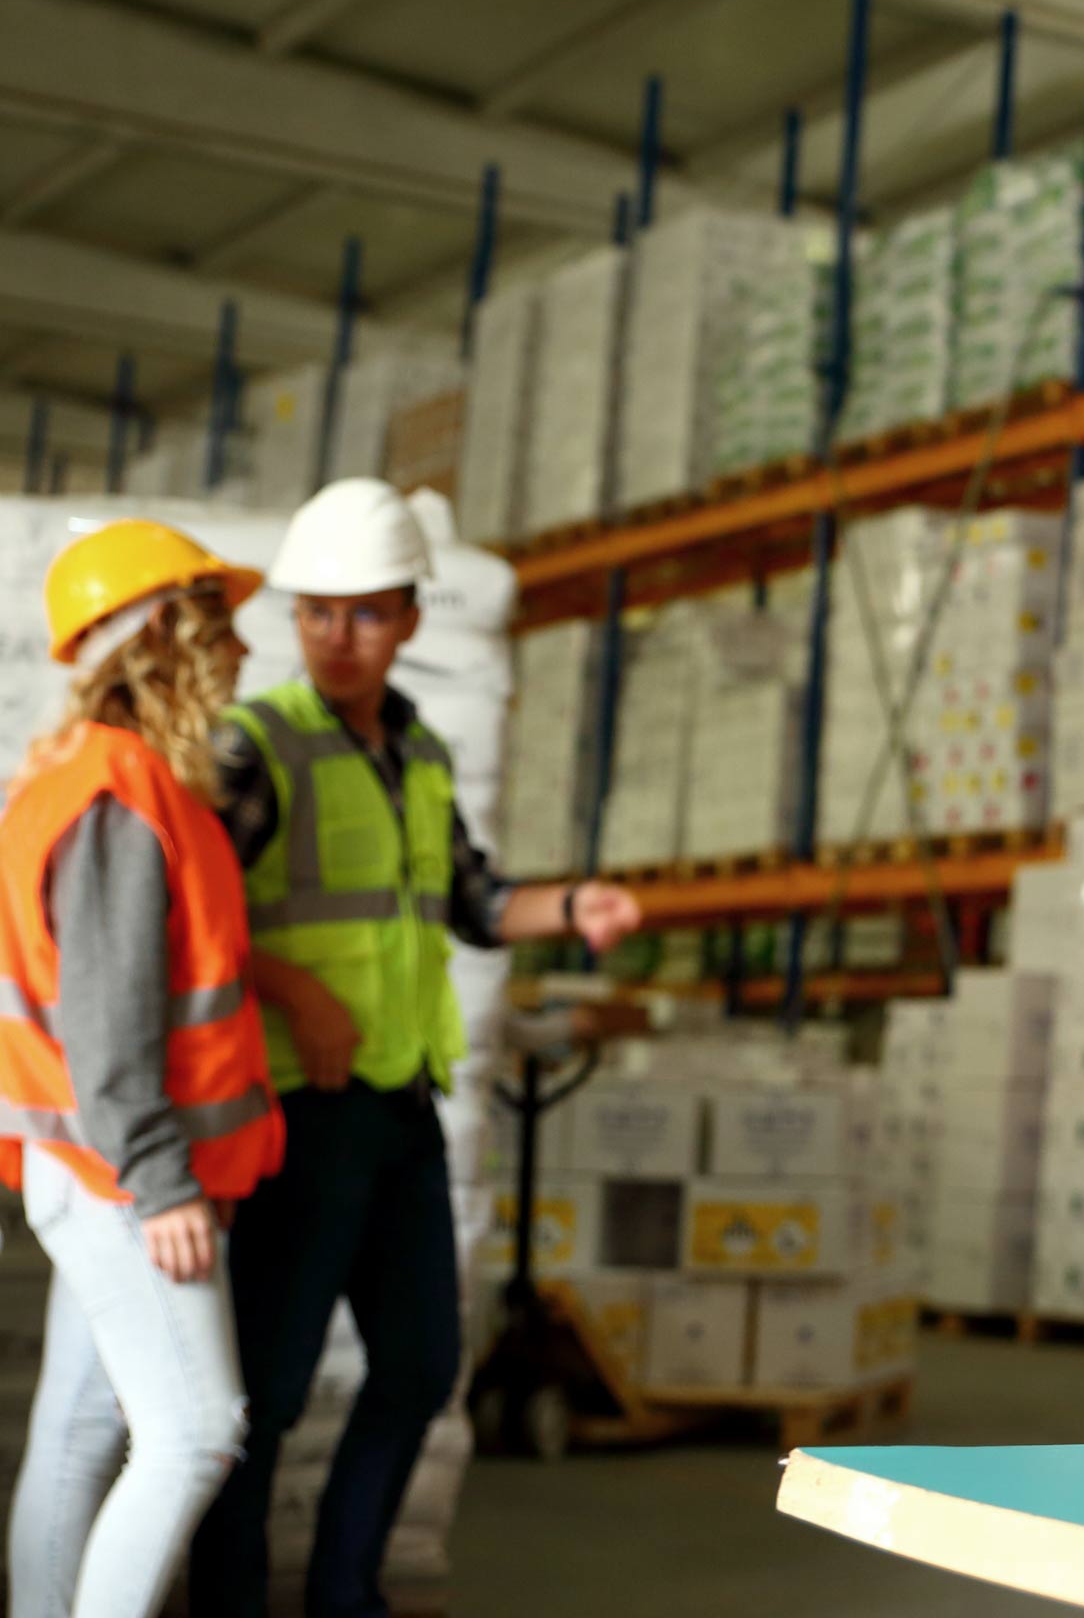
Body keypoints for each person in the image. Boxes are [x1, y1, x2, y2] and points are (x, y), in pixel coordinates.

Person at [186, 481, 644, 1618]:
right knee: (269, 1388)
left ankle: (345, 1592)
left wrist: (575, 905)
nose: (338, 638)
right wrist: (294, 990)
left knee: (423, 1364)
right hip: (296, 1109)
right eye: (316, 613)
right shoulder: (257, 745)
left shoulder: (423, 755)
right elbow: (187, 914)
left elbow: (476, 901)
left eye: (365, 614)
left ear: (409, 619)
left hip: (399, 1104)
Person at [1, 521, 287, 1618]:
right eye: (222, 624)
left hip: (92, 1164)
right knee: (196, 1431)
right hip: (124, 1174)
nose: (242, 650)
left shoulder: (104, 776)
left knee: (81, 1429)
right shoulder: (119, 794)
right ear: (165, 630)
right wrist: (165, 1184)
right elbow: (108, 1029)